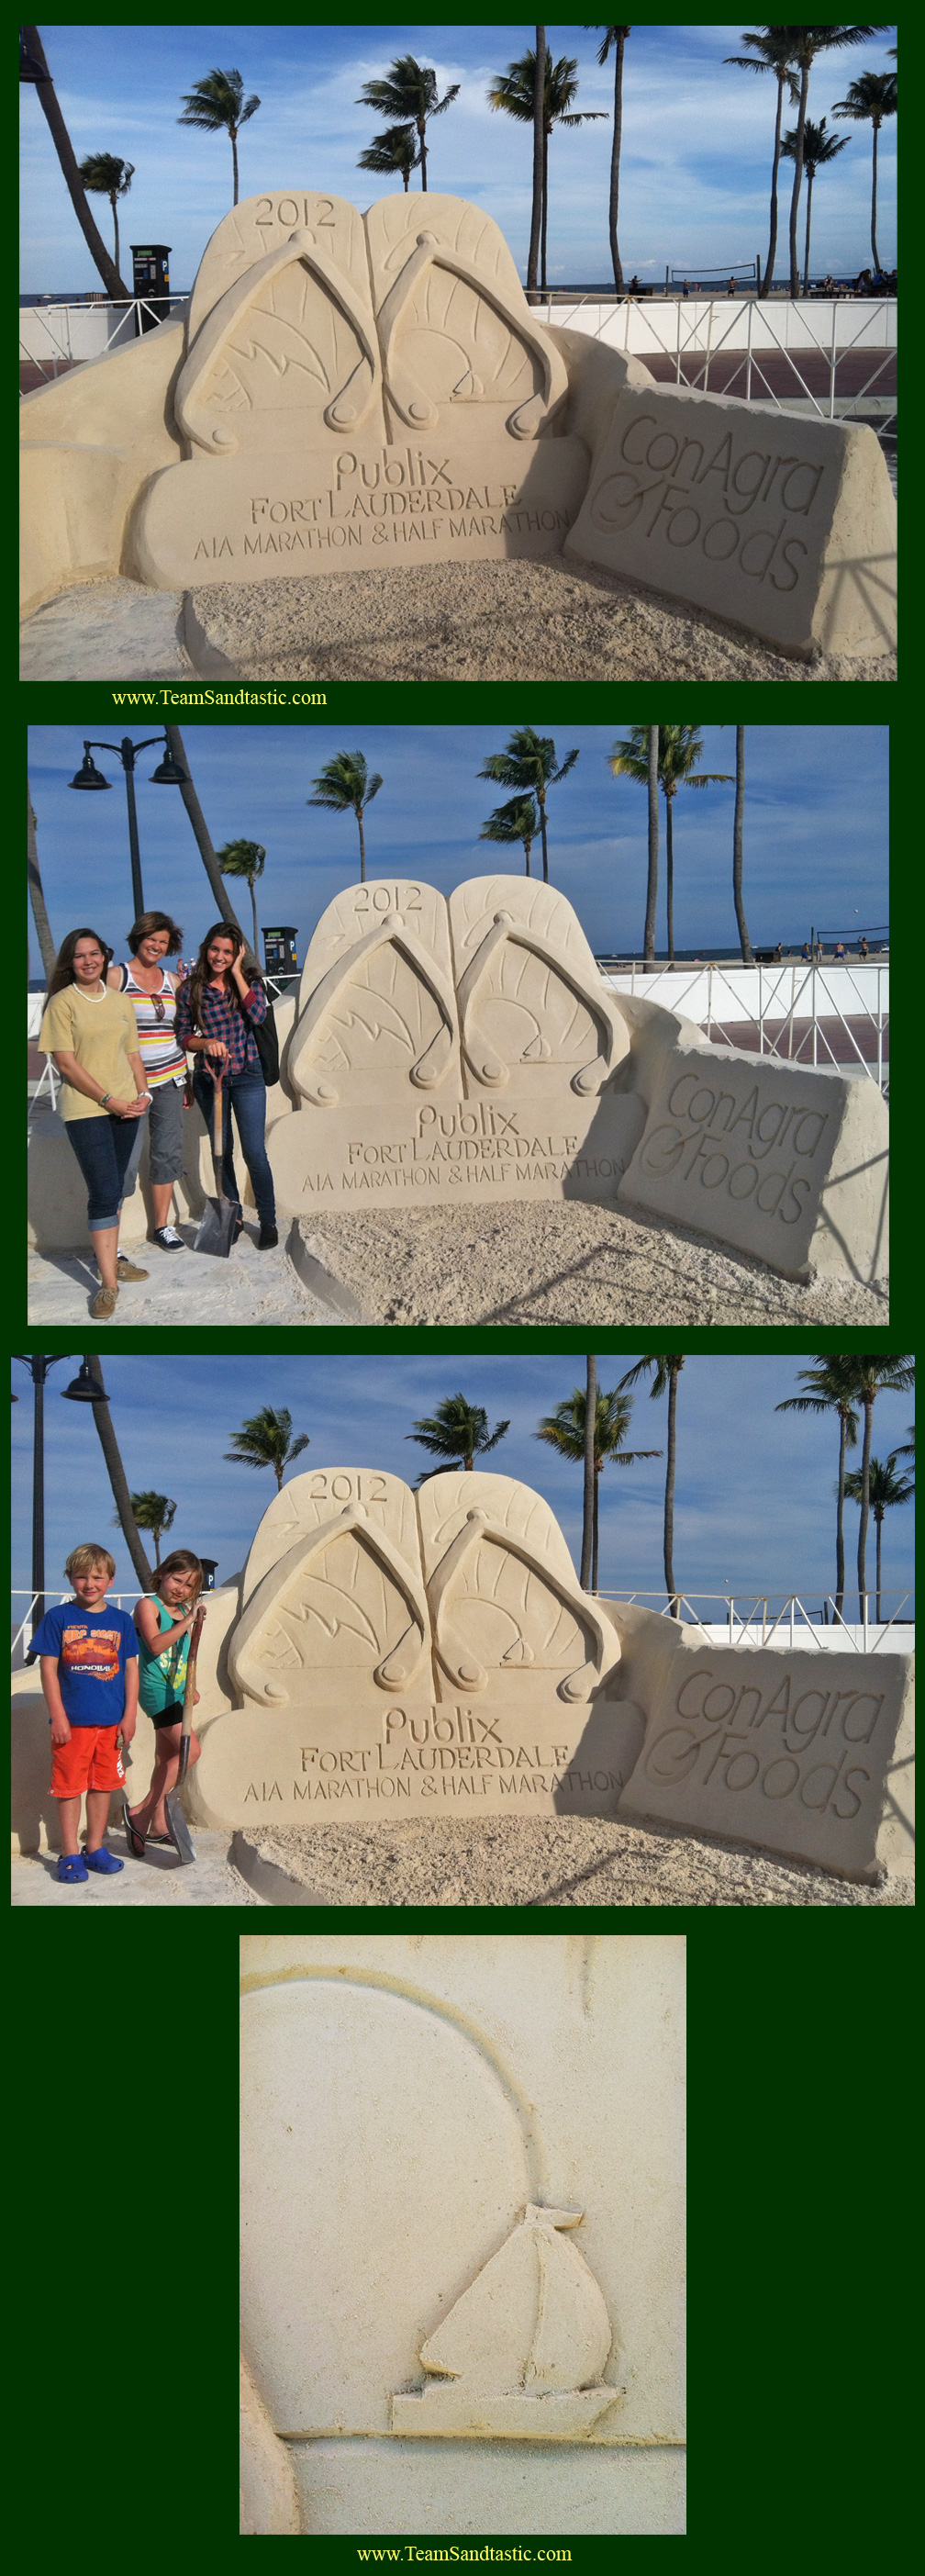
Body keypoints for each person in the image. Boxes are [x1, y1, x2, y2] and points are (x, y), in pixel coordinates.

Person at [39, 927, 151, 1320]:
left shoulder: (121, 1001)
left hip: (128, 1106)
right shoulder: (62, 1003)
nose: (89, 961)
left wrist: (143, 1094)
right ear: (70, 963)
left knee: (118, 1186)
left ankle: (112, 1260)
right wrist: (109, 1100)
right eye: (80, 956)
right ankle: (108, 1285)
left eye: (95, 954)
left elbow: (133, 1053)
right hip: (87, 1108)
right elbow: (66, 1063)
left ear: (105, 956)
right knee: (103, 1190)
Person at [32, 1543, 139, 1885]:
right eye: (81, 1576)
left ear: (110, 1580)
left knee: (103, 1785)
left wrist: (130, 1716)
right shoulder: (58, 1618)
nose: (89, 1583)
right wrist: (58, 1716)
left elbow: (131, 1670)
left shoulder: (122, 1620)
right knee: (68, 1787)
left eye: (97, 1576)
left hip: (112, 1723)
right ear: (70, 1579)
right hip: (72, 1724)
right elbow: (48, 1670)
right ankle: (70, 1852)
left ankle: (94, 1847)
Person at [174, 925, 278, 1249]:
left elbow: (259, 1015)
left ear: (237, 955)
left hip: (247, 1075)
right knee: (223, 1152)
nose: (220, 957)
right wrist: (206, 1042)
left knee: (254, 1153)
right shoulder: (191, 989)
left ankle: (268, 1220)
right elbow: (182, 1035)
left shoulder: (249, 984)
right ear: (207, 948)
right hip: (210, 1080)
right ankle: (231, 1219)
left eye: (228, 953)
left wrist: (237, 972)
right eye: (216, 950)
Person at [107, 909, 189, 1250]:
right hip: (130, 1084)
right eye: (151, 938)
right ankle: (112, 1236)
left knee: (167, 1154)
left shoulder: (173, 982)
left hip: (171, 1078)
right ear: (138, 938)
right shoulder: (115, 977)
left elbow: (186, 1026)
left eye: (163, 942)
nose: (156, 946)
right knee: (123, 1160)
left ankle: (161, 1226)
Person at [123, 1549, 205, 1854]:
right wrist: (190, 1621)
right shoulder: (148, 1605)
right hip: (157, 1690)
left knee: (164, 1759)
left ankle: (157, 1825)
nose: (181, 1589)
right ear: (161, 1575)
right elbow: (156, 1645)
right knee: (190, 1751)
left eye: (188, 1586)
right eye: (177, 1580)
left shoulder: (184, 1612)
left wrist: (190, 1686)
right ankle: (141, 1811)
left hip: (177, 1690)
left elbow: (184, 1655)